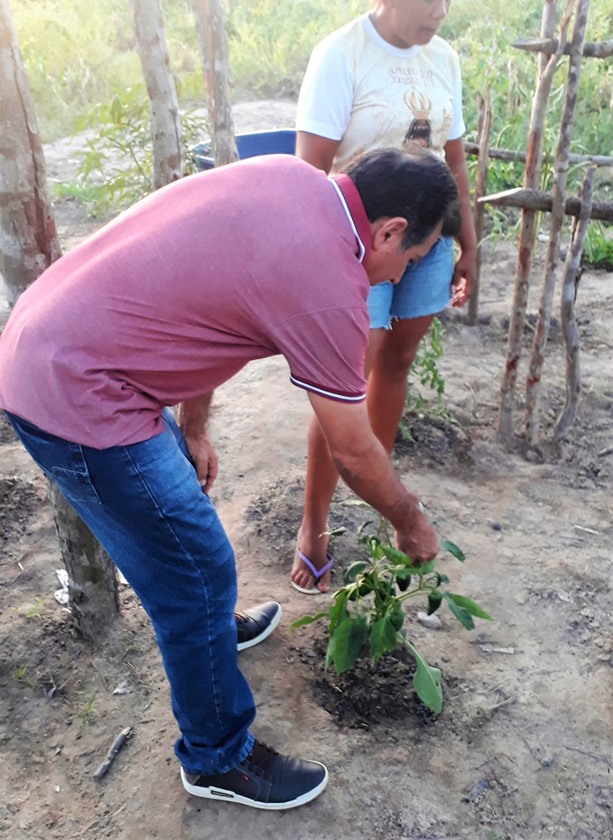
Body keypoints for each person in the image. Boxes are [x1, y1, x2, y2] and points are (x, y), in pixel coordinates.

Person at [0, 148, 458, 810]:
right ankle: (215, 757)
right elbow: (352, 451)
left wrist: (192, 426)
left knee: (185, 541)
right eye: (410, 260)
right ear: (388, 230)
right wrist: (411, 521)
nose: (401, 271)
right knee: (194, 573)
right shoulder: (329, 280)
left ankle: (209, 634)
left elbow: (211, 310)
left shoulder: (293, 181)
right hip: (78, 388)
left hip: (61, 342)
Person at [291, 0, 477, 595]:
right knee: (342, 385)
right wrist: (323, 266)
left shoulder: (443, 59)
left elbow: (454, 162)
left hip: (425, 244)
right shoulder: (340, 56)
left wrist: (465, 245)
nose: (439, 9)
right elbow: (309, 173)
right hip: (355, 247)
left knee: (392, 365)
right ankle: (312, 525)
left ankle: (376, 498)